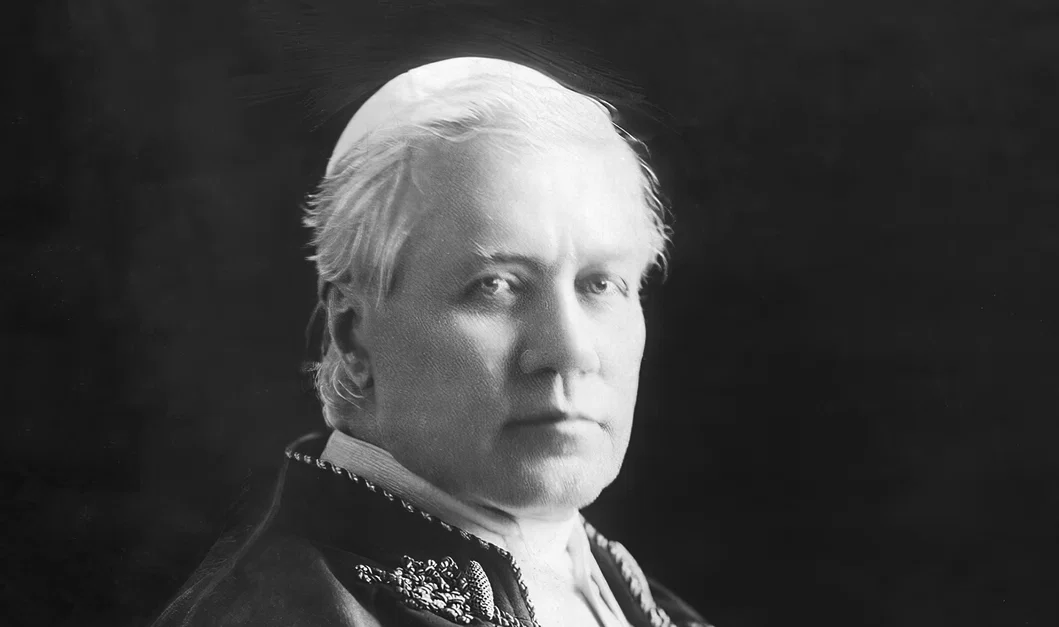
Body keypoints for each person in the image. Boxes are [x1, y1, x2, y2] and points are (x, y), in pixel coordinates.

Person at [151, 56, 712, 627]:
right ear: (352, 333)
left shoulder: (627, 598)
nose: (570, 351)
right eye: (495, 285)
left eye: (601, 284)